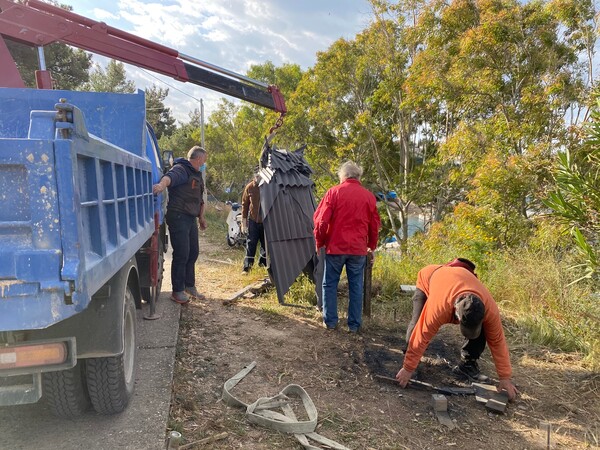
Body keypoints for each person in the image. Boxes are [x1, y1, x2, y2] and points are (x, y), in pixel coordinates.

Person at [395, 261, 519, 401]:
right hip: (429, 279)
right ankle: (406, 362)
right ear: (458, 316)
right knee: (417, 323)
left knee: (486, 329)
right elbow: (422, 334)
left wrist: (505, 378)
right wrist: (408, 368)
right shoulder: (439, 306)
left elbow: (497, 341)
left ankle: (467, 364)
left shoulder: (489, 308)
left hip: (457, 280)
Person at [313, 161, 381, 333]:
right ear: (358, 176)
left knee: (329, 285)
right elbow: (374, 226)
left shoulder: (333, 193)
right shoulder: (369, 197)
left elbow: (321, 221)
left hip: (335, 247)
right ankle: (354, 325)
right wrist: (371, 247)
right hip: (358, 249)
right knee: (356, 287)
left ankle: (330, 322)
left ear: (343, 176)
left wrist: (319, 242)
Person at [153, 146, 208, 304]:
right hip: (178, 216)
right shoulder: (182, 169)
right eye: (204, 160)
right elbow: (169, 178)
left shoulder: (196, 174)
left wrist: (201, 218)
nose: (204, 163)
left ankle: (189, 286)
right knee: (182, 253)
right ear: (198, 159)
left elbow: (199, 199)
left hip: (190, 218)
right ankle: (177, 291)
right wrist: (162, 186)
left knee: (193, 252)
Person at [241, 172, 266, 274]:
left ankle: (263, 265)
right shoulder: (250, 187)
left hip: (265, 221)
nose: (258, 178)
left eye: (260, 176)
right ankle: (247, 268)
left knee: (265, 244)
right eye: (256, 176)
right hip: (253, 221)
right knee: (251, 243)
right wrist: (243, 223)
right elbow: (245, 205)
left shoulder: (267, 187)